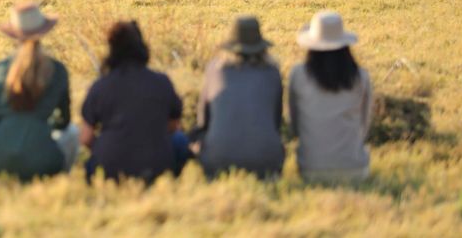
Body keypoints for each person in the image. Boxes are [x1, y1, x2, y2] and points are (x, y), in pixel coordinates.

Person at [0, 2, 79, 181]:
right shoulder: (57, 71)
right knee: (72, 132)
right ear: (43, 32)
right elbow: (64, 121)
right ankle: (61, 178)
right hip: (43, 160)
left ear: (14, 35)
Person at [81, 21, 189, 183]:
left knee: (90, 164)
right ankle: (172, 181)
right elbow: (174, 126)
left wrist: (105, 147)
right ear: (141, 47)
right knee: (180, 140)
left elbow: (85, 138)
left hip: (110, 166)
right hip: (157, 164)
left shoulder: (100, 86)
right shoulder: (162, 82)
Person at [194, 16, 285, 179]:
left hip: (217, 161)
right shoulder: (272, 72)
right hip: (266, 161)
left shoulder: (215, 69)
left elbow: (203, 120)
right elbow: (276, 120)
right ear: (261, 46)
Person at [289, 11, 373, 182]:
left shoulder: (298, 74)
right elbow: (364, 125)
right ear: (344, 46)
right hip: (355, 170)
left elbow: (295, 125)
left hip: (310, 170)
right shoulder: (361, 77)